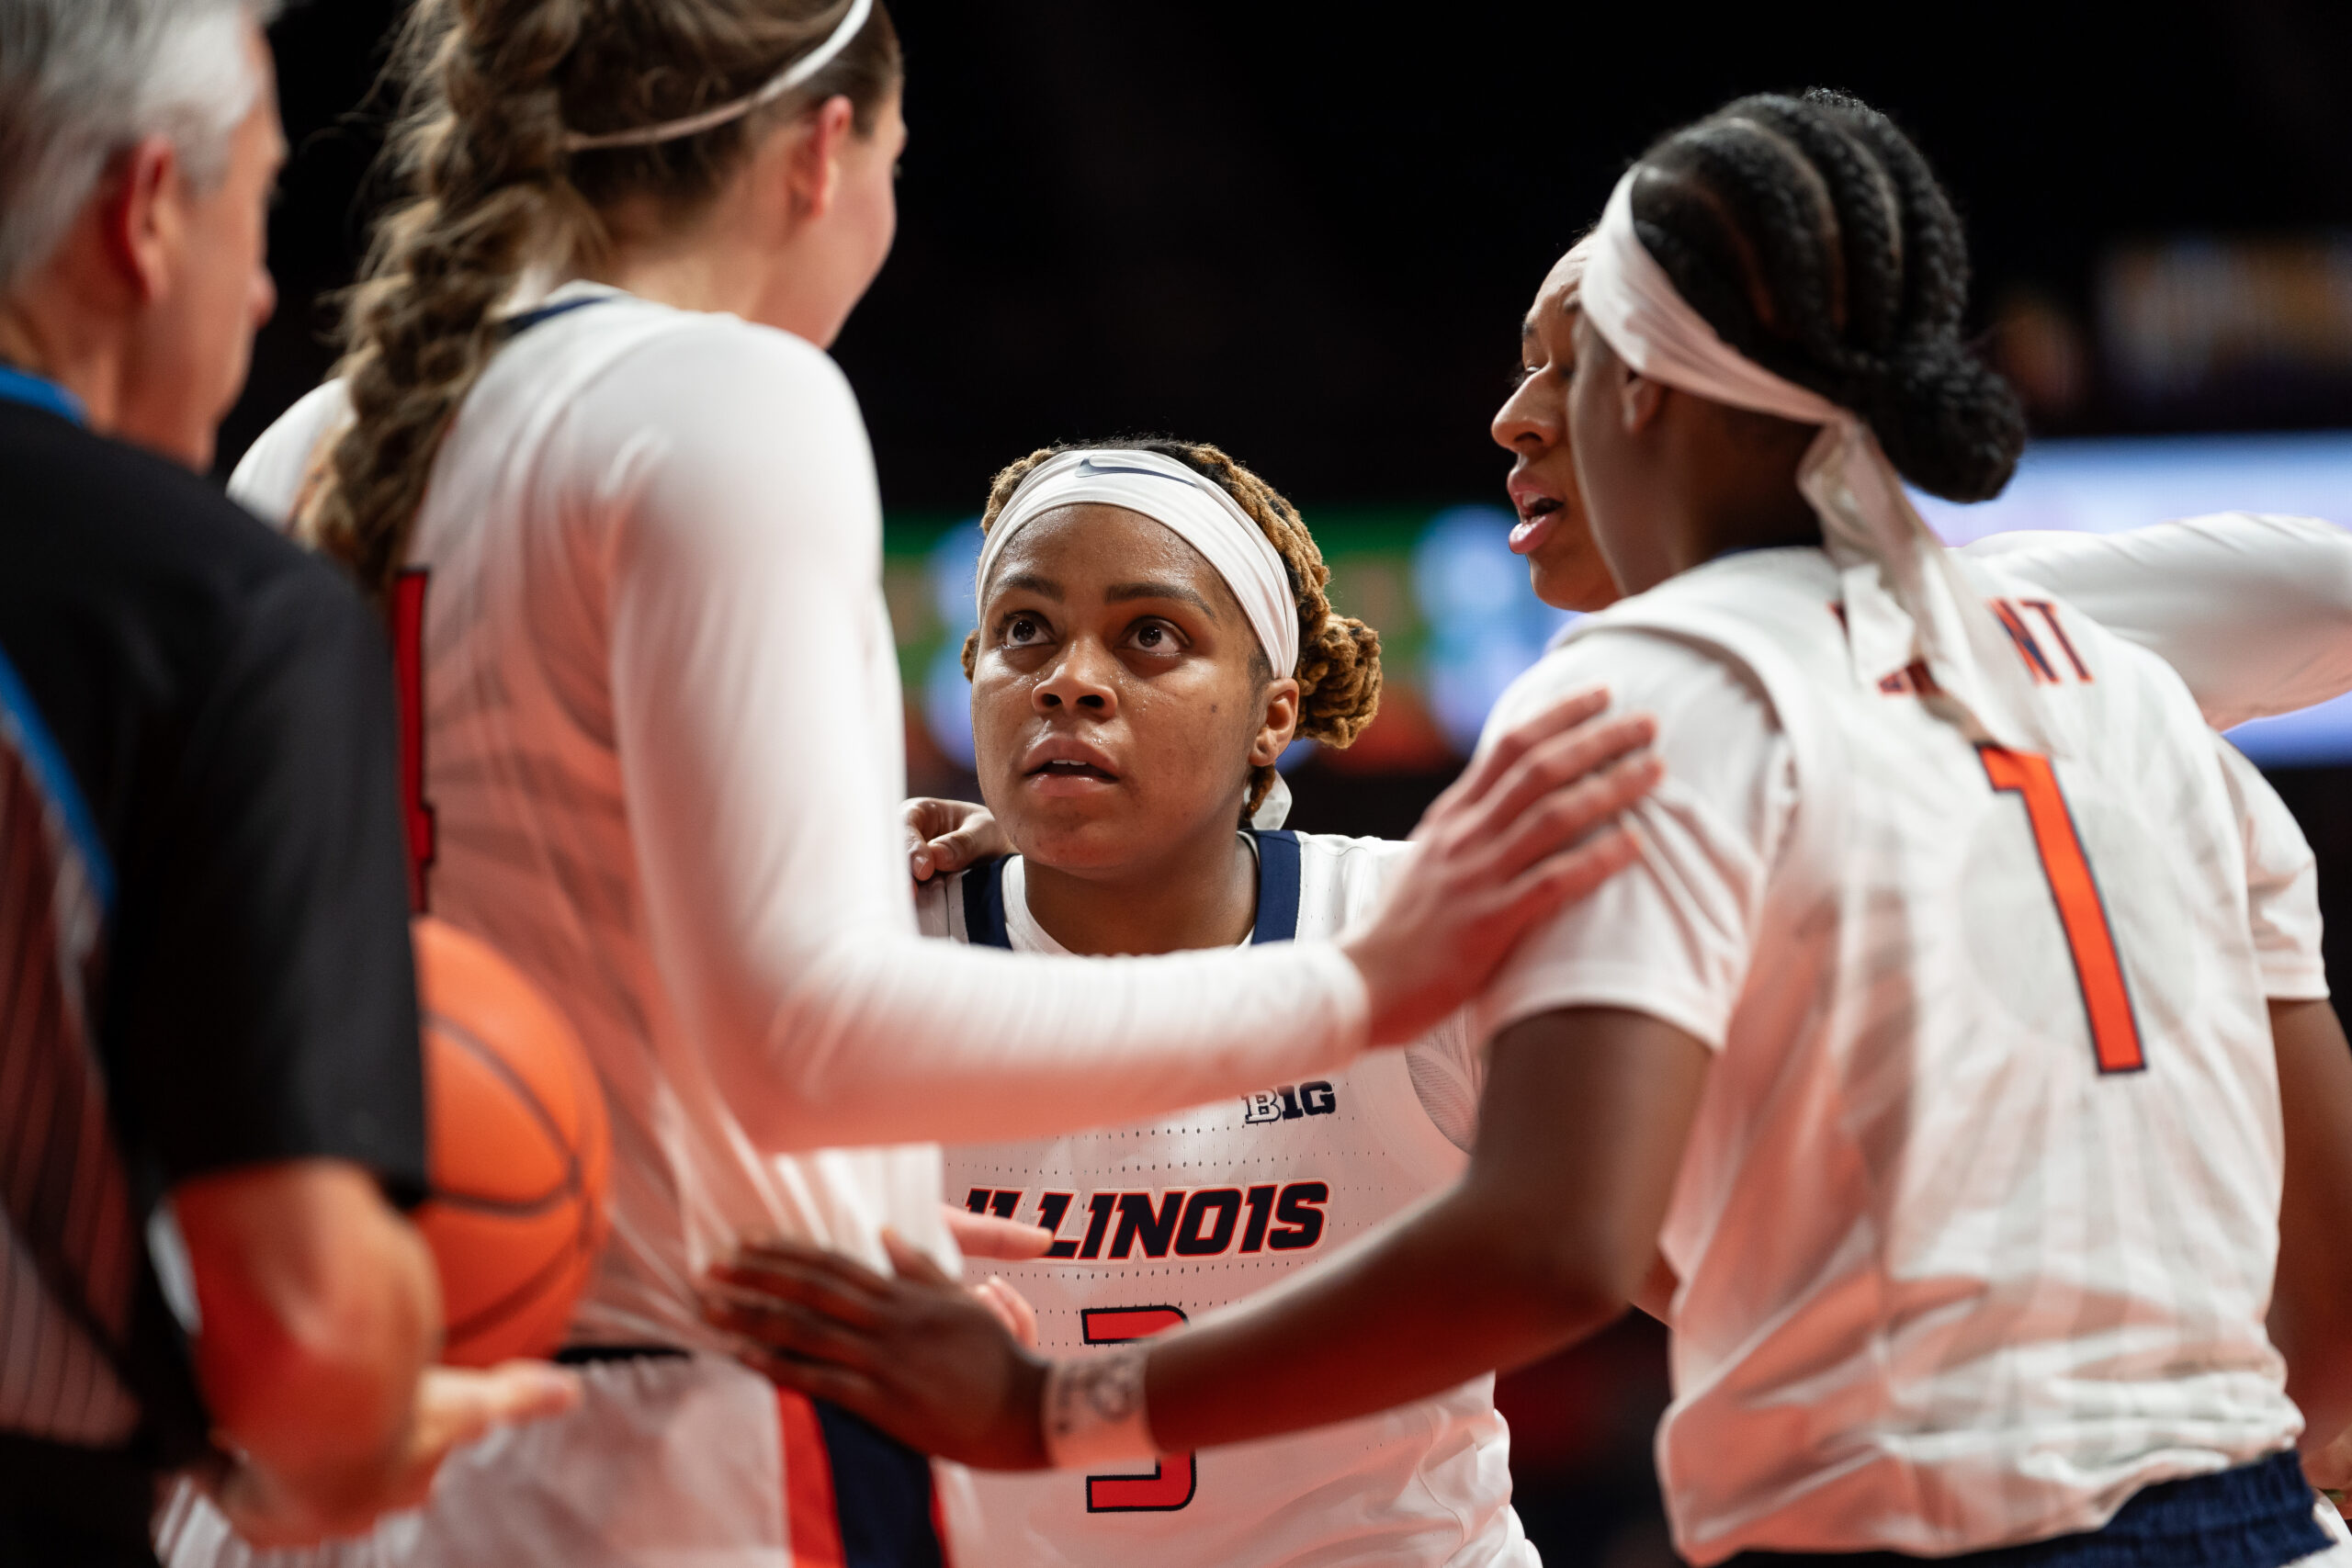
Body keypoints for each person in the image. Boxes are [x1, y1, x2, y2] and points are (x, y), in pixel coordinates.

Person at [698, 91, 2352, 1568]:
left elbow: (1558, 1246)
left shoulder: (1623, 708)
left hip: (1901, 1512)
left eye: (1561, 365)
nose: (1506, 417)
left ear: (1663, 384)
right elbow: (2328, 1328)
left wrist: (1053, 1409)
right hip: (2246, 1508)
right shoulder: (2111, 686)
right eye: (1021, 637)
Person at [181, 1, 1657, 1562]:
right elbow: (807, 1032)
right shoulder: (733, 399)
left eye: (1148, 639)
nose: (1072, 681)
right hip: (657, 1440)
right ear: (827, 153)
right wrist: (1366, 988)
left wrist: (838, 1198)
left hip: (368, 1418)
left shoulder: (302, 450)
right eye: (1022, 631)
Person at [0, 1, 574, 1562]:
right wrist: (359, 1428)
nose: (264, 287)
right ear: (140, 215)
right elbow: (307, 1333)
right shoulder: (212, 610)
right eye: (254, 206)